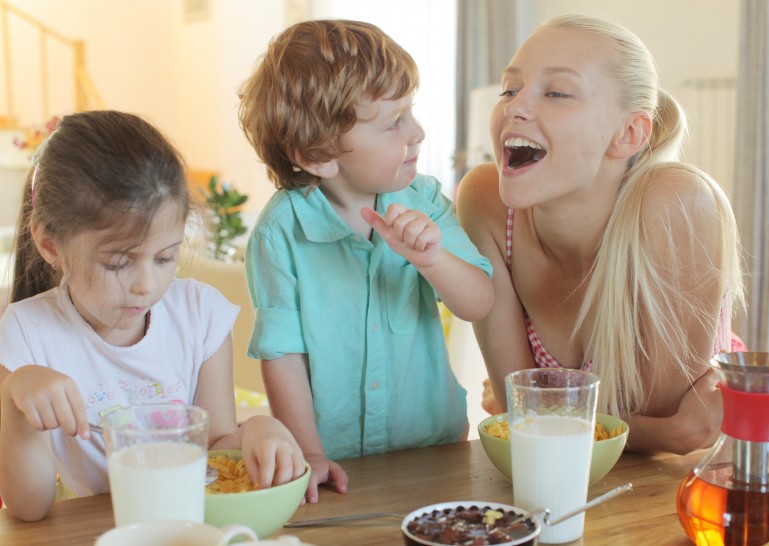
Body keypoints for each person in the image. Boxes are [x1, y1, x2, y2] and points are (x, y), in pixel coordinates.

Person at [456, 14, 745, 455]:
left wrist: (544, 410)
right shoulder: (484, 201)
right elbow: (521, 417)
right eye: (510, 89)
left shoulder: (676, 202)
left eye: (556, 92)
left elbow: (657, 436)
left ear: (628, 133)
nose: (514, 107)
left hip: (693, 474)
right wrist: (658, 432)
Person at [0, 111, 306, 522]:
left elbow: (213, 451)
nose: (147, 285)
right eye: (118, 263)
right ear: (51, 244)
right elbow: (30, 508)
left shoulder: (199, 315)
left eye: (165, 257)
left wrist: (256, 431)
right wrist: (14, 397)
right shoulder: (25, 334)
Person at [238, 19, 494, 503]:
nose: (417, 132)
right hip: (338, 465)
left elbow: (479, 302)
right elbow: (283, 356)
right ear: (317, 154)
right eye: (393, 122)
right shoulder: (279, 233)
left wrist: (434, 259)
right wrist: (310, 454)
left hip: (433, 450)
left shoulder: (425, 201)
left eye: (411, 112)